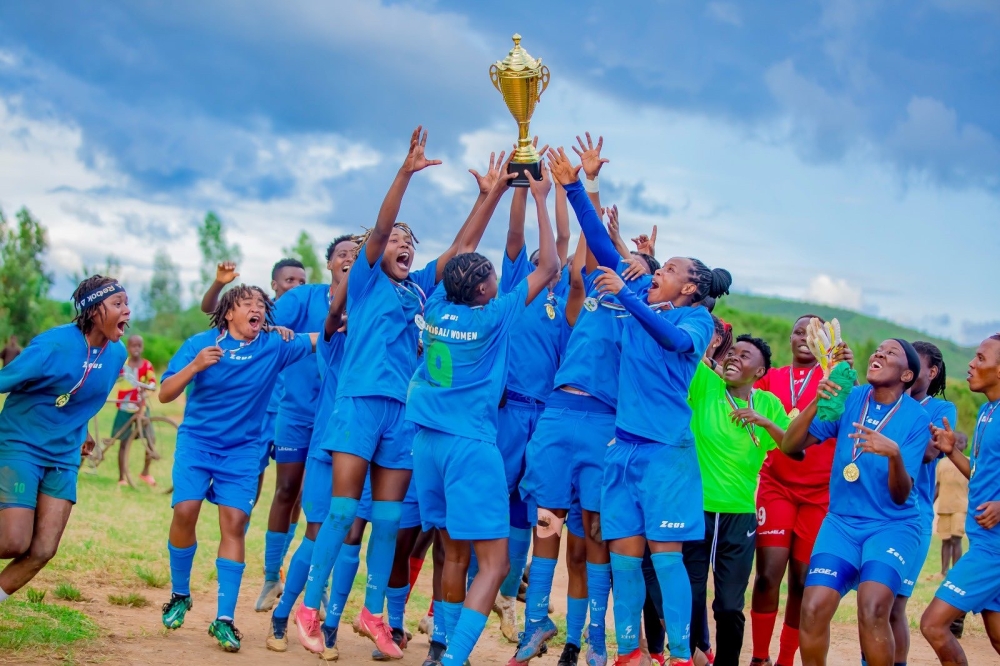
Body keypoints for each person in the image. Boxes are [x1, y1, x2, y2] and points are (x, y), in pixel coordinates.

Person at [295, 127, 511, 659]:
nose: (405, 244)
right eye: (397, 240)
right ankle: (310, 607)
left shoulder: (423, 294)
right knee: (343, 515)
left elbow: (464, 252)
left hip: (404, 416)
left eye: (411, 242)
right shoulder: (366, 282)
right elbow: (384, 225)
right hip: (361, 404)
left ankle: (373, 614)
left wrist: (492, 195)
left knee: (390, 520)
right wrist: (405, 173)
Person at [550, 145, 732, 666]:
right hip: (622, 449)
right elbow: (605, 252)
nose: (655, 271)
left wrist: (629, 298)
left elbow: (672, 344)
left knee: (666, 559)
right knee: (625, 560)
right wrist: (573, 186)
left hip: (665, 456)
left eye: (668, 268)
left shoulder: (693, 322)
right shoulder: (642, 302)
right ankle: (627, 651)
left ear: (690, 286)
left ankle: (678, 654)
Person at [407, 161, 558, 666]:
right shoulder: (493, 316)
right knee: (493, 566)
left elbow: (457, 252)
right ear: (484, 290)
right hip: (470, 446)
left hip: (425, 443)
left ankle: (438, 650)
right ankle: (453, 660)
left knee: (452, 553)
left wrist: (491, 196)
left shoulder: (431, 307)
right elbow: (549, 267)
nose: (497, 275)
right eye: (492, 275)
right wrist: (539, 197)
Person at [516, 135, 645, 666]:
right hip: (557, 415)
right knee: (546, 518)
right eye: (625, 262)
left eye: (641, 266)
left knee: (592, 531)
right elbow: (586, 254)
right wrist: (587, 183)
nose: (628, 268)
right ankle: (533, 623)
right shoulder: (587, 296)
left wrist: (638, 273)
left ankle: (592, 638)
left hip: (603, 425)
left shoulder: (644, 321)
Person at [158, 285, 316, 652]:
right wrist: (196, 365)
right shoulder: (202, 342)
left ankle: (224, 619)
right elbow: (165, 393)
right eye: (248, 304)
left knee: (234, 524)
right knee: (185, 510)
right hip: (197, 443)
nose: (256, 309)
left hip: (243, 451)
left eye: (261, 305)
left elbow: (319, 337)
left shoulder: (273, 346)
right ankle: (180, 594)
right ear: (229, 313)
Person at [782, 339, 929, 666]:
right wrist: (814, 402)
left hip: (892, 526)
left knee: (874, 607)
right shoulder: (849, 398)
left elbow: (901, 494)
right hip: (842, 523)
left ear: (906, 376)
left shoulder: (916, 419)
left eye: (890, 353)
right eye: (877, 349)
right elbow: (790, 445)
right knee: (812, 607)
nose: (878, 353)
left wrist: (893, 455)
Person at [0, 276, 130, 603]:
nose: (127, 311)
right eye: (118, 304)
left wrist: (83, 430)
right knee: (14, 541)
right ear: (94, 310)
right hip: (22, 445)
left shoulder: (117, 354)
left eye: (127, 304)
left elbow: (81, 397)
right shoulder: (53, 346)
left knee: (42, 549)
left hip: (64, 456)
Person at [490, 160, 574, 648]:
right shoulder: (516, 283)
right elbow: (517, 233)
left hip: (547, 417)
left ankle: (505, 589)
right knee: (492, 494)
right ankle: (447, 599)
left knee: (529, 506)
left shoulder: (565, 297)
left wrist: (560, 191)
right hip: (507, 409)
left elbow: (560, 243)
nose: (550, 257)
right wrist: (521, 185)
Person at [260, 243, 355, 612]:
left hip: (339, 421)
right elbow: (265, 327)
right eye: (342, 253)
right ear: (329, 262)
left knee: (330, 506)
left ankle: (318, 583)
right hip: (298, 412)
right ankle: (272, 577)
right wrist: (304, 339)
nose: (348, 257)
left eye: (357, 253)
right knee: (287, 491)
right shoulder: (303, 297)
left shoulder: (368, 300)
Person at [685, 335, 790, 666]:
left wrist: (766, 421)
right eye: (731, 353)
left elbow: (790, 445)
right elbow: (690, 353)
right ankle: (686, 656)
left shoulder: (770, 404)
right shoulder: (706, 386)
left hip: (740, 517)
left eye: (744, 356)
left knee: (729, 606)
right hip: (695, 510)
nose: (733, 358)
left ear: (759, 372)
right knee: (688, 596)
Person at [750, 315, 837, 666]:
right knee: (768, 575)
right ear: (789, 336)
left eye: (814, 334)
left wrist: (840, 370)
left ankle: (786, 659)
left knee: (801, 582)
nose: (804, 338)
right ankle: (759, 657)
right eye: (799, 331)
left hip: (820, 492)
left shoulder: (835, 380)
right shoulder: (770, 378)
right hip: (777, 486)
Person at [921, 334, 1000, 663]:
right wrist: (951, 450)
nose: (971, 363)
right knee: (997, 638)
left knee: (933, 625)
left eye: (981, 358)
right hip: (982, 539)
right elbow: (980, 474)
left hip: (993, 549)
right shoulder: (987, 412)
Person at [885, 341, 956, 664]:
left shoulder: (940, 410)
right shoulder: (884, 401)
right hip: (877, 512)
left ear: (931, 371)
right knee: (874, 602)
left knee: (895, 605)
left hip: (913, 513)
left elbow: (930, 451)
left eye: (914, 363)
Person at [111, 334, 157, 486]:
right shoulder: (122, 366)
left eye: (139, 346)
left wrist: (148, 388)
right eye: (133, 346)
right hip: (124, 407)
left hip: (141, 408)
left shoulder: (147, 365)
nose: (136, 349)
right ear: (128, 347)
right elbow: (113, 378)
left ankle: (145, 472)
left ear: (142, 347)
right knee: (123, 443)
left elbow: (152, 382)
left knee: (151, 439)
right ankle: (121, 477)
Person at [936, 454, 968, 577]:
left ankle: (956, 572)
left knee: (956, 539)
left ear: (965, 445)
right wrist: (930, 502)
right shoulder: (942, 463)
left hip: (960, 506)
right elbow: (938, 485)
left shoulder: (968, 462)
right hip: (944, 507)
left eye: (961, 442)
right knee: (945, 540)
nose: (957, 444)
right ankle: (943, 572)